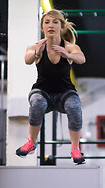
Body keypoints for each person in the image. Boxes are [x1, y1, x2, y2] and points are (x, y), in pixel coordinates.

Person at [16, 9, 86, 164]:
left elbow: (81, 59)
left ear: (61, 27)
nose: (51, 25)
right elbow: (27, 60)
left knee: (74, 107)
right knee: (37, 103)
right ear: (42, 27)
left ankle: (75, 148)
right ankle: (32, 143)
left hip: (65, 93)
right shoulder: (36, 46)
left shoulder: (69, 47)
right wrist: (36, 53)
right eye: (47, 22)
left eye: (55, 22)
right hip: (42, 92)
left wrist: (68, 55)